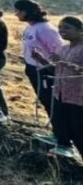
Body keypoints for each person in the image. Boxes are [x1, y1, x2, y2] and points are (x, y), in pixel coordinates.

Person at [33, 17, 83, 158]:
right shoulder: (64, 48)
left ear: (80, 30)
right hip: (61, 93)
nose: (62, 31)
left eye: (67, 28)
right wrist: (41, 59)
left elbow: (73, 68)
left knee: (78, 129)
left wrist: (71, 66)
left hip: (79, 96)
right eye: (60, 27)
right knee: (62, 122)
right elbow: (57, 69)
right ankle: (63, 145)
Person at [14, 0, 63, 120]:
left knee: (51, 102)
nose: (16, 14)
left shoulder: (46, 30)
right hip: (32, 68)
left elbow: (60, 53)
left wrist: (44, 62)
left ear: (26, 11)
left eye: (18, 11)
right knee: (44, 101)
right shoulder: (30, 27)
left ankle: (60, 129)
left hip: (45, 71)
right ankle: (56, 127)